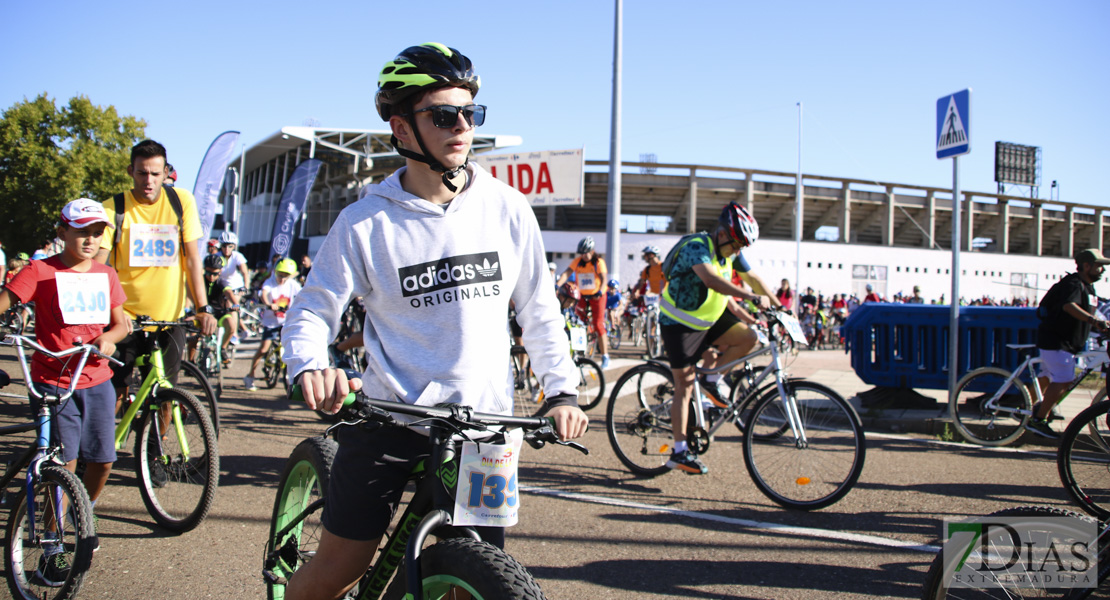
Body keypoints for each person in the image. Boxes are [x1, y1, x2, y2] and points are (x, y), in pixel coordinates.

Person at [279, 42, 588, 600]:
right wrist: (310, 364)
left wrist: (562, 391)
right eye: (445, 115)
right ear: (401, 129)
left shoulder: (507, 207)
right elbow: (311, 309)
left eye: (471, 113)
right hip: (390, 422)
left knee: (473, 577)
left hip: (484, 432)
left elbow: (540, 309)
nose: (462, 127)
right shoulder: (364, 223)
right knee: (338, 570)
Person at [0, 199, 129, 578]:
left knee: (103, 460)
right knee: (65, 462)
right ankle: (54, 540)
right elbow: (5, 301)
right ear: (62, 233)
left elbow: (122, 325)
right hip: (51, 380)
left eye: (96, 232)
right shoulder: (40, 271)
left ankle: (81, 513)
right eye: (81, 231)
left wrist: (109, 338)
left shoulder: (106, 274)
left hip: (96, 378)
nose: (90, 239)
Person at [95, 139, 217, 410]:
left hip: (168, 319)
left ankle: (153, 451)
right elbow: (98, 268)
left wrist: (202, 308)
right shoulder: (112, 208)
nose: (148, 180)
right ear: (130, 172)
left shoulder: (181, 201)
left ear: (165, 173)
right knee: (115, 393)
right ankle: (104, 449)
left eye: (155, 173)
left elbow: (193, 261)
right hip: (123, 318)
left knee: (167, 394)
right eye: (142, 173)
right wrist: (111, 313)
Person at [659, 202, 770, 475]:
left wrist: (780, 307)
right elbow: (710, 280)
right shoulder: (698, 247)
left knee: (749, 338)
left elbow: (752, 277)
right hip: (680, 324)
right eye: (737, 244)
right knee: (683, 387)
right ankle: (679, 451)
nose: (739, 250)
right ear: (722, 235)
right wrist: (752, 298)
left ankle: (710, 380)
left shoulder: (730, 251)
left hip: (710, 320)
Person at [1027, 248, 1110, 438]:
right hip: (1057, 342)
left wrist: (1100, 325)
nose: (1102, 271)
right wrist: (1093, 321)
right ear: (1086, 266)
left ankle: (1026, 408)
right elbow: (1069, 306)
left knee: (1047, 377)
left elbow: (1092, 313)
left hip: (1063, 343)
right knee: (1064, 379)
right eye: (1098, 267)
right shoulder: (1073, 283)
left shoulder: (1088, 287)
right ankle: (1038, 420)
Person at [244, 258, 301, 391]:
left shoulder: (293, 285)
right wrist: (269, 305)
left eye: (285, 276)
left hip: (287, 323)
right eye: (280, 275)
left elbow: (302, 296)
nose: (282, 279)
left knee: (293, 350)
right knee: (264, 349)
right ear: (275, 272)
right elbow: (264, 294)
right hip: (271, 323)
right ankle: (250, 376)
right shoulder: (269, 282)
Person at [556, 236, 611, 367]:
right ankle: (579, 350)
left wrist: (600, 291)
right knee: (578, 323)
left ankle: (605, 356)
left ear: (592, 251)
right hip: (582, 296)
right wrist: (557, 285)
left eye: (586, 253)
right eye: (582, 253)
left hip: (597, 296)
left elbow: (604, 279)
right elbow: (566, 273)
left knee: (598, 324)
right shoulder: (578, 261)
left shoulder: (598, 262)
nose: (584, 256)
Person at [197, 253, 238, 365]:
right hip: (203, 313)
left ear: (220, 272)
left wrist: (235, 304)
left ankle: (223, 348)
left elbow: (229, 292)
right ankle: (190, 361)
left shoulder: (221, 282)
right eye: (208, 273)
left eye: (215, 274)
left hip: (220, 313)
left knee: (231, 325)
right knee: (193, 335)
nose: (211, 277)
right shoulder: (200, 282)